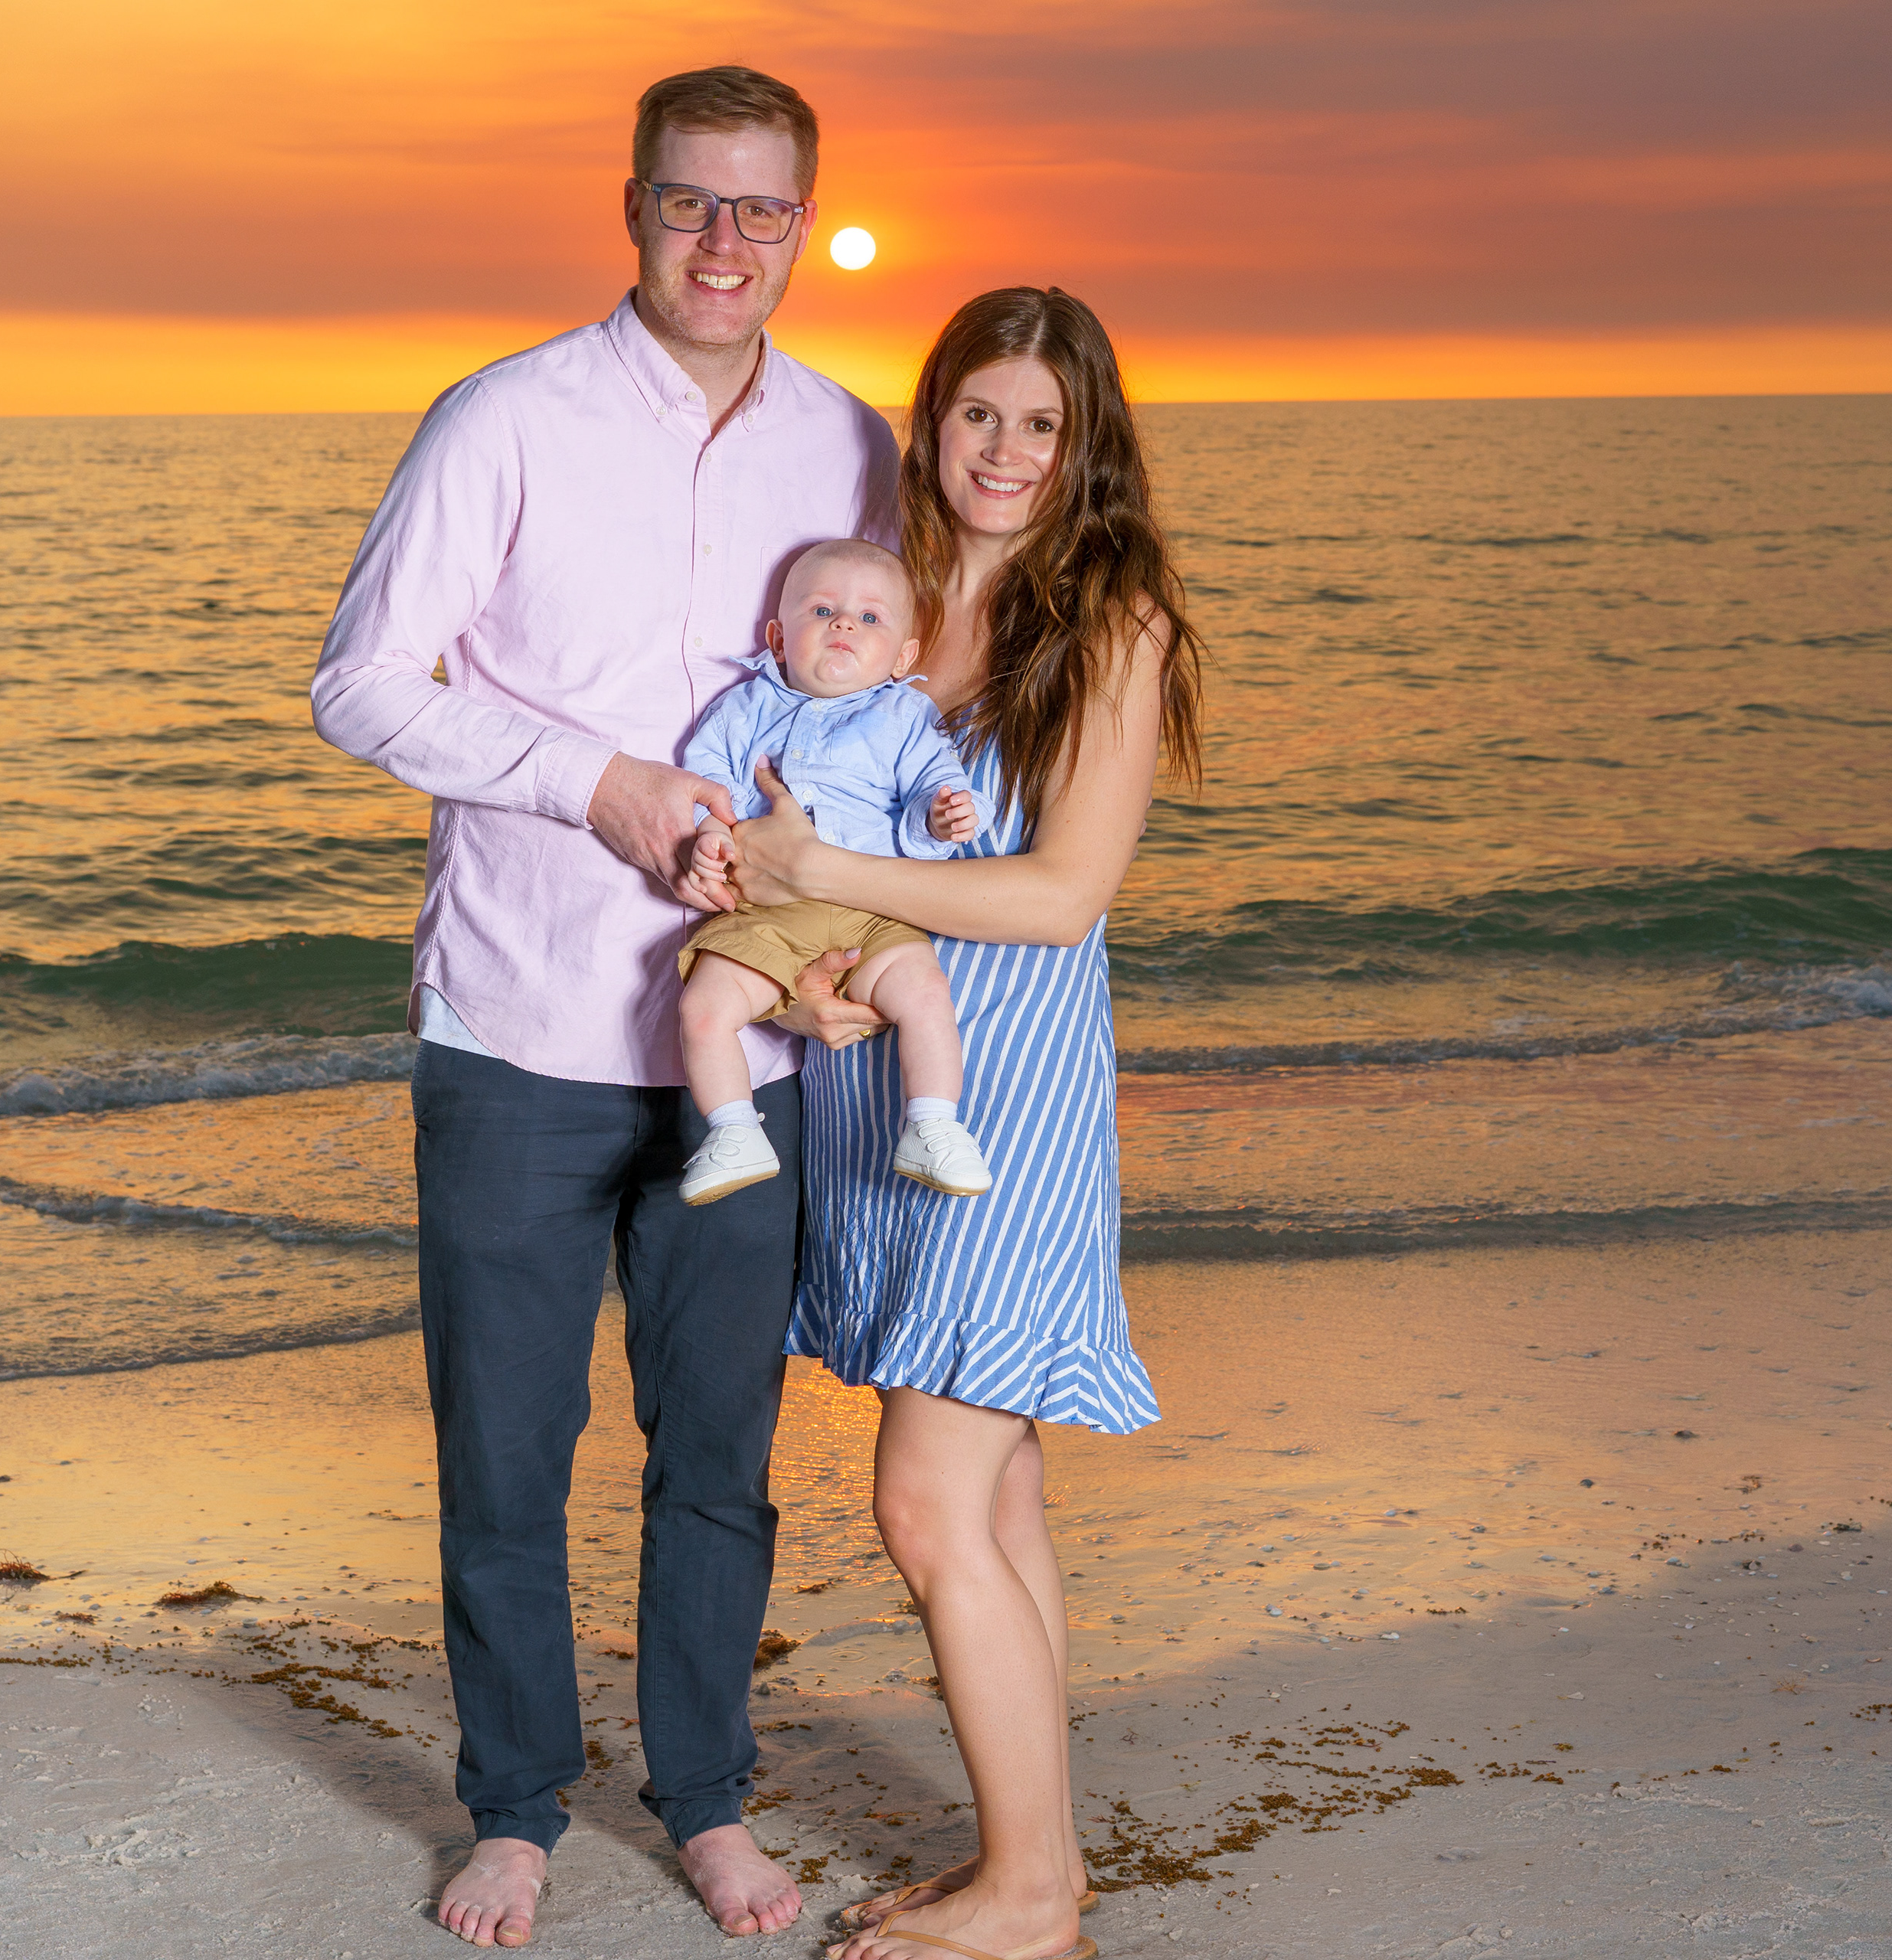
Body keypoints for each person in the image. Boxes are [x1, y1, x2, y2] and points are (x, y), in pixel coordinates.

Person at [309, 66, 896, 1951]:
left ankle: (707, 1796)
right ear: (629, 208)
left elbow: (896, 718)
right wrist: (601, 785)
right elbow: (364, 684)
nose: (725, 244)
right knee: (503, 1446)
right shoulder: (505, 420)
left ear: (805, 223)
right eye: (688, 204)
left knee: (718, 1448)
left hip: (763, 1048)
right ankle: (512, 1806)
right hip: (518, 1029)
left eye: (761, 211)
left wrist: (851, 893)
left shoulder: (857, 448)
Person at [727, 286, 1204, 1960]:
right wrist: (796, 984)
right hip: (875, 1084)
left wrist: (829, 878)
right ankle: (1038, 1872)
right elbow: (804, 829)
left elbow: (1065, 892)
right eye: (978, 414)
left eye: (1042, 425)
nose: (1004, 451)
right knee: (995, 1505)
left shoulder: (1115, 615)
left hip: (1004, 1099)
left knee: (928, 1505)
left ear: (1088, 449)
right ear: (933, 422)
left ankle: (1024, 1896)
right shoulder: (888, 600)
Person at [672, 537, 992, 1207]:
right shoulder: (745, 708)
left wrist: (943, 817)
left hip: (871, 912)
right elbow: (706, 784)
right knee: (704, 1008)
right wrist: (707, 832)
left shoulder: (903, 716)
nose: (845, 624)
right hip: (767, 916)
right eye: (823, 610)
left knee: (927, 996)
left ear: (904, 656)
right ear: (778, 639)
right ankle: (733, 1130)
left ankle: (932, 1123)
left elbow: (934, 784)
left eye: (870, 619)